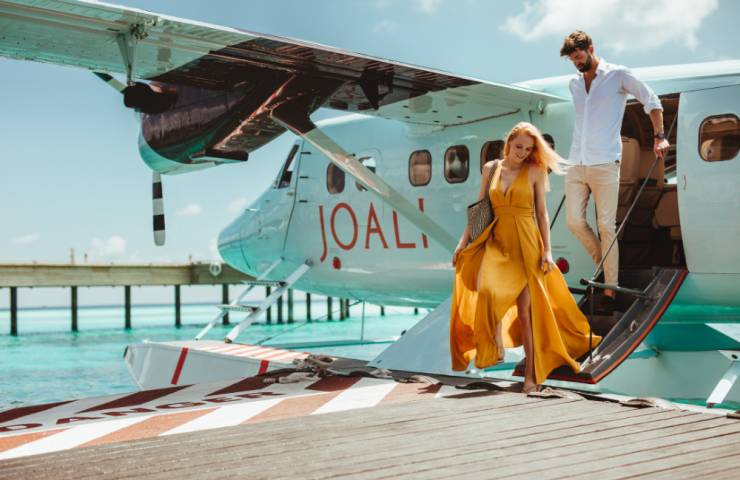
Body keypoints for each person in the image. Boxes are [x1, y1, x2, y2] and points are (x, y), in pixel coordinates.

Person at [450, 122, 601, 393]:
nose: (522, 152)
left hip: (526, 243)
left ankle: (531, 375)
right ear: (509, 142)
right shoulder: (491, 169)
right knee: (487, 290)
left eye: (528, 149)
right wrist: (462, 243)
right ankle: (496, 343)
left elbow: (542, 213)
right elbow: (479, 208)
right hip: (497, 240)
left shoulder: (535, 171)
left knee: (526, 313)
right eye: (518, 146)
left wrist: (547, 251)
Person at [561, 31, 669, 313]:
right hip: (576, 163)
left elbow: (652, 101)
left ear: (591, 48)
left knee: (606, 226)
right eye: (573, 60)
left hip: (605, 163)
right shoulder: (574, 84)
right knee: (574, 221)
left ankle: (610, 287)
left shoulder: (618, 75)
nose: (577, 63)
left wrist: (659, 136)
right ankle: (607, 266)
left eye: (579, 57)